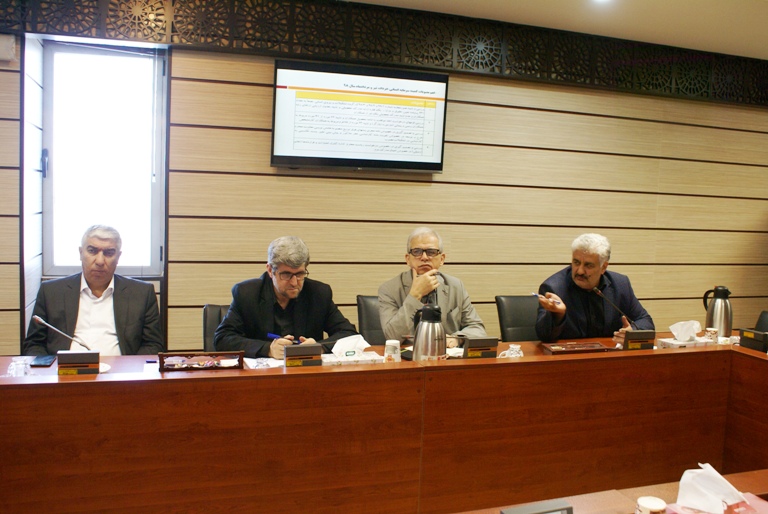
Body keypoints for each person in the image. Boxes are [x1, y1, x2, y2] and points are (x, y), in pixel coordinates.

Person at [23, 225, 164, 356]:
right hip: (64, 371)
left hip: (121, 372)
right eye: (92, 251)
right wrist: (52, 370)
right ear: (80, 253)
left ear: (118, 257)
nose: (100, 261)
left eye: (109, 253)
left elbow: (153, 345)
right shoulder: (51, 292)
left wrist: (130, 369)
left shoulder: (142, 293)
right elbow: (34, 345)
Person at [214, 236, 357, 359]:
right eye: (286, 274)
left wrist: (319, 347)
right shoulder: (247, 293)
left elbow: (350, 334)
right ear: (270, 270)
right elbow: (222, 338)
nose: (294, 283)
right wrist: (268, 349)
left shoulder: (318, 293)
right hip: (261, 377)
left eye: (300, 274)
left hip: (307, 373)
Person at [535, 233, 654, 344]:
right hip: (569, 356)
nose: (580, 271)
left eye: (588, 265)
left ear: (603, 267)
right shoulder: (554, 288)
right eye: (576, 262)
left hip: (609, 355)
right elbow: (543, 336)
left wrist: (632, 331)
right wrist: (558, 315)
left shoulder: (620, 285)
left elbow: (645, 321)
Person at [378, 227, 486, 342]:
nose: (424, 257)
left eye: (431, 252)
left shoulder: (456, 286)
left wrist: (456, 339)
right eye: (417, 252)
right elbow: (392, 336)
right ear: (408, 259)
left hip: (446, 352)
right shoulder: (389, 289)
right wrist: (415, 295)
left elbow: (478, 329)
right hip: (410, 352)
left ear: (442, 259)